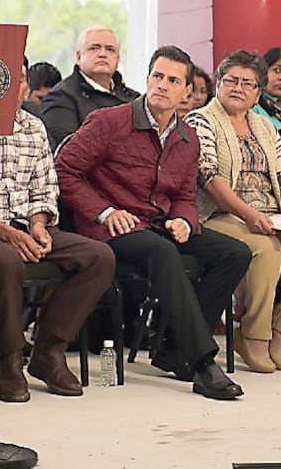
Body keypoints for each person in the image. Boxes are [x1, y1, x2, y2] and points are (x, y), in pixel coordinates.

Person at [56, 45, 251, 399]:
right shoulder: (108, 122)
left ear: (186, 91)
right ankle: (203, 362)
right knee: (162, 251)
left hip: (157, 224)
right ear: (146, 80)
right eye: (157, 76)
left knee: (235, 252)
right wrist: (105, 211)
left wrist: (183, 218)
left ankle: (175, 349)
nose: (162, 85)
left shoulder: (187, 139)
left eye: (173, 80)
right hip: (109, 228)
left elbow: (185, 196)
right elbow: (64, 171)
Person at [0, 59, 115, 403]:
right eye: (2, 78)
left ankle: (49, 350)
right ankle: (9, 358)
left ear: (25, 85)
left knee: (99, 256)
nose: (12, 86)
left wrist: (38, 224)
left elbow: (46, 186)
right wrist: (7, 233)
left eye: (19, 79)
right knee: (5, 261)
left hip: (27, 225)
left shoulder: (33, 126)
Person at [185, 50, 281, 372]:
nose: (239, 88)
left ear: (257, 92)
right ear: (218, 84)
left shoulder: (264, 126)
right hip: (219, 216)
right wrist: (249, 214)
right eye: (231, 80)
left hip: (269, 215)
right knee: (266, 249)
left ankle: (280, 332)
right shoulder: (200, 120)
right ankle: (254, 335)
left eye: (248, 83)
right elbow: (208, 178)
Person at [40, 26, 139, 150]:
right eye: (94, 48)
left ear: (117, 60)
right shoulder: (60, 98)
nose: (102, 54)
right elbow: (69, 154)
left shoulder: (134, 99)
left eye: (110, 49)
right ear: (78, 57)